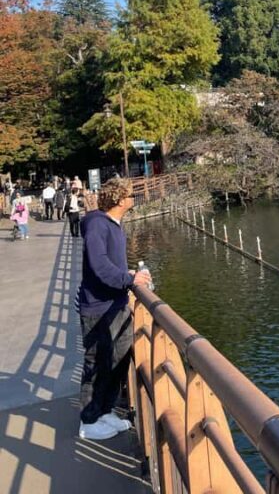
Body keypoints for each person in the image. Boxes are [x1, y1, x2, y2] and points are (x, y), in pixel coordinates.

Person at [77, 178, 152, 440]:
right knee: (97, 362)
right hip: (98, 306)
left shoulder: (114, 225)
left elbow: (110, 263)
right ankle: (88, 420)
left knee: (118, 360)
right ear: (120, 200)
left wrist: (127, 274)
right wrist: (128, 280)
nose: (134, 199)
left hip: (117, 302)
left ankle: (105, 409)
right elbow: (99, 265)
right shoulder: (98, 224)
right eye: (132, 195)